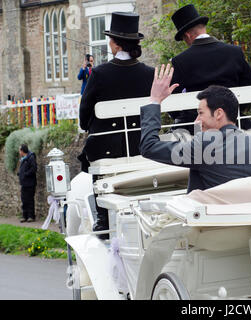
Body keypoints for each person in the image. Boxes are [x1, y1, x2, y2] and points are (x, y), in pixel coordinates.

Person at [140, 64, 251, 192]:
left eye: (201, 113)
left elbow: (149, 146)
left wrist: (155, 101)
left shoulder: (204, 146)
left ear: (219, 113)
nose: (197, 120)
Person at [78, 12, 155, 238]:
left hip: (108, 149)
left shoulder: (99, 73)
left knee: (95, 146)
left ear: (114, 43)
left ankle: (103, 218)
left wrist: (89, 126)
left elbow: (85, 114)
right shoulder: (149, 73)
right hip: (142, 143)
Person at [168, 4, 251, 134]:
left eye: (183, 39)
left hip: (197, 128)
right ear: (203, 27)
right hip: (235, 122)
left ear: (187, 35)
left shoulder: (180, 61)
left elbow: (174, 102)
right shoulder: (234, 52)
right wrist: (234, 111)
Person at [17, 144, 37, 223]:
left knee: (30, 200)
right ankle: (24, 216)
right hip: (24, 183)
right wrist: (20, 173)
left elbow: (33, 169)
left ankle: (31, 216)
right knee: (24, 200)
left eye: (19, 150)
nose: (19, 152)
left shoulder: (31, 157)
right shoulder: (24, 158)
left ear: (22, 151)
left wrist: (25, 174)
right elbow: (24, 169)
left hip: (30, 183)